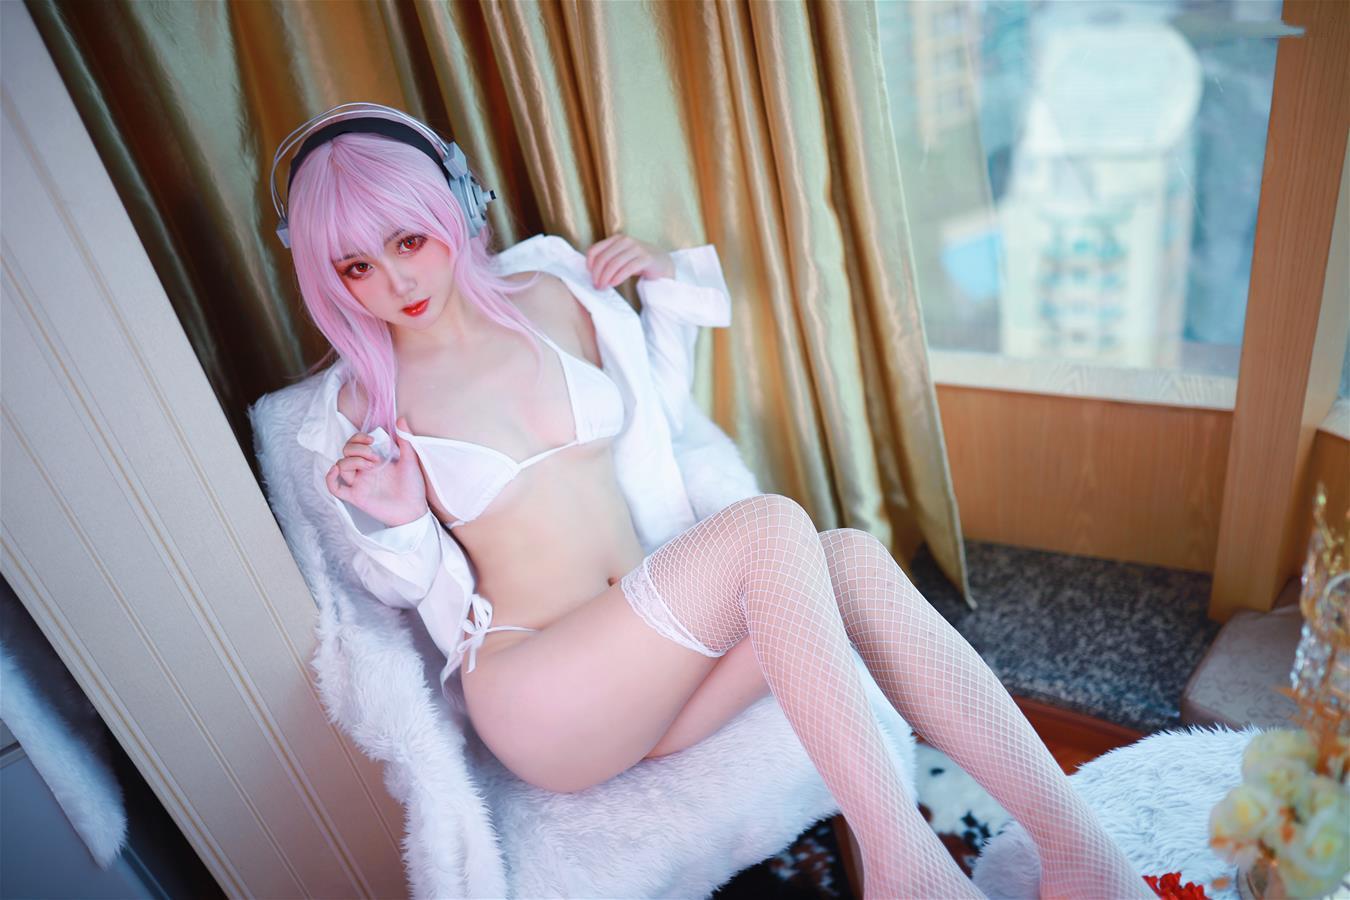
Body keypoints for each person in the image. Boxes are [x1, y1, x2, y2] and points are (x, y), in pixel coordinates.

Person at [278, 104, 1150, 900]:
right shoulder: (362, 404)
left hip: (658, 673)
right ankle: (907, 870)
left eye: (409, 240)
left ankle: (1081, 855)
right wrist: (400, 520)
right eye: (356, 266)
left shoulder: (549, 294)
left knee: (849, 560)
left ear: (458, 206)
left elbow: (658, 428)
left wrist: (661, 290)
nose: (394, 282)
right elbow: (393, 597)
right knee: (770, 526)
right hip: (544, 698)